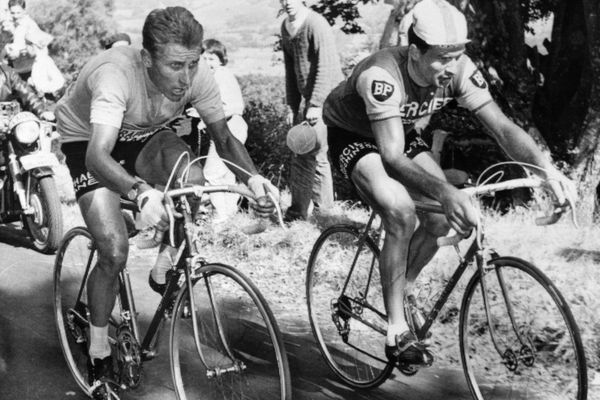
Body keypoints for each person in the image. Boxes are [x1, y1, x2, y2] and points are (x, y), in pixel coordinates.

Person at [322, 0, 576, 369]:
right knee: (400, 210)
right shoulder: (382, 74)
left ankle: (401, 286)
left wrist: (545, 172)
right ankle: (396, 332)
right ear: (414, 51)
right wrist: (445, 190)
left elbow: (502, 127)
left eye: (456, 56)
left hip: (399, 130)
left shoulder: (457, 68)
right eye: (441, 58)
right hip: (354, 134)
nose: (450, 67)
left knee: (442, 218)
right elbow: (392, 157)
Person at [56, 7, 276, 399]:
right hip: (89, 141)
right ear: (147, 59)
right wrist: (140, 192)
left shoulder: (198, 74)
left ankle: (162, 269)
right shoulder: (116, 75)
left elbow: (224, 138)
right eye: (175, 66)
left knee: (190, 177)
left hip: (144, 133)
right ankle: (99, 347)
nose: (185, 78)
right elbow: (98, 157)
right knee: (113, 251)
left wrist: (255, 179)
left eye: (192, 64)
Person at [280, 0, 343, 222]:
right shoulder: (286, 27)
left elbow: (326, 65)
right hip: (306, 101)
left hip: (325, 98)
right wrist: (292, 104)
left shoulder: (316, 23)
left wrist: (316, 104)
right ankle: (311, 211)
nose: (287, 3)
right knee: (305, 152)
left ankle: (315, 212)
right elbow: (290, 71)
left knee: (311, 152)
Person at [200, 38, 249, 225]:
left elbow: (233, 106)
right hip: (232, 126)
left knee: (212, 173)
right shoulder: (221, 75)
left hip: (230, 127)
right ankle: (229, 215)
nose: (208, 63)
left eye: (212, 59)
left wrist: (205, 120)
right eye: (204, 59)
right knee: (227, 173)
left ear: (221, 59)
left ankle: (220, 216)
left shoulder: (221, 74)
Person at [3, 0, 53, 81]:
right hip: (17, 69)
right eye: (13, 13)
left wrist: (24, 50)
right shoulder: (11, 25)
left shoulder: (28, 25)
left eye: (18, 13)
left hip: (32, 71)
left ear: (24, 11)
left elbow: (44, 47)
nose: (15, 16)